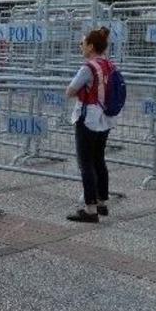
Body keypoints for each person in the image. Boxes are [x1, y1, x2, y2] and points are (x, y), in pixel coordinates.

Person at [65, 27, 117, 223]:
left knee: (85, 163)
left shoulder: (88, 67)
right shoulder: (109, 64)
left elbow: (70, 91)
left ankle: (90, 209)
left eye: (83, 43)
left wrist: (73, 91)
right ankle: (102, 202)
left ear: (91, 46)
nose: (81, 46)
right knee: (99, 160)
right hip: (105, 118)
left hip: (88, 118)